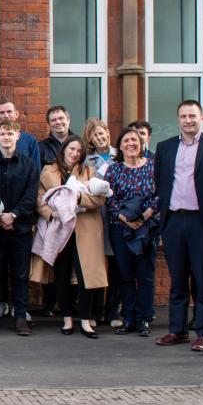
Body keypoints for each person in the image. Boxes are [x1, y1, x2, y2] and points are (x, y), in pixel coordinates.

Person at [153, 100, 203, 351]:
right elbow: (161, 182)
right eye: (184, 116)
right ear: (178, 119)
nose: (188, 120)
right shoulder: (165, 148)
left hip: (201, 220)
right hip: (174, 219)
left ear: (201, 119)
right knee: (177, 279)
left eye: (193, 116)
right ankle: (177, 330)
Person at [37, 135, 107, 338]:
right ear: (64, 149)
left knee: (86, 275)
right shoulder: (48, 171)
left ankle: (85, 321)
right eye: (72, 149)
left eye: (79, 150)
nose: (75, 153)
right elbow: (39, 200)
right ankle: (67, 319)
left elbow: (100, 199)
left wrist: (79, 197)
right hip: (59, 228)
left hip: (84, 230)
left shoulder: (89, 171)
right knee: (61, 275)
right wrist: (52, 213)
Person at [0, 118, 40, 337]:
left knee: (20, 275)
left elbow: (31, 195)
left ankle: (20, 317)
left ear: (18, 136)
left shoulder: (29, 164)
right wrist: (0, 216)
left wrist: (14, 215)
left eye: (10, 134)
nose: (6, 137)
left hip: (21, 229)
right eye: (2, 133)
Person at [105, 127, 158, 336]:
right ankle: (129, 317)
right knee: (125, 274)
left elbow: (161, 193)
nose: (131, 144)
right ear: (120, 145)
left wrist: (145, 215)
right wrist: (124, 218)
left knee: (145, 275)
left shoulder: (153, 167)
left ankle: (144, 318)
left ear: (141, 143)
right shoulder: (114, 169)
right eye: (126, 140)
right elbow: (108, 197)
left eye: (134, 140)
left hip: (147, 227)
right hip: (120, 228)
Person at [82, 117, 118, 327]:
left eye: (102, 132)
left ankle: (113, 312)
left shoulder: (118, 154)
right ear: (91, 140)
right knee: (96, 264)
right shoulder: (88, 161)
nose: (100, 137)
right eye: (95, 135)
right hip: (97, 215)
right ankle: (95, 311)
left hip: (116, 215)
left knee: (115, 265)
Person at [0, 100, 41, 167]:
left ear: (16, 114)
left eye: (9, 112)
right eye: (2, 112)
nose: (6, 115)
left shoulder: (30, 140)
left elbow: (36, 168)